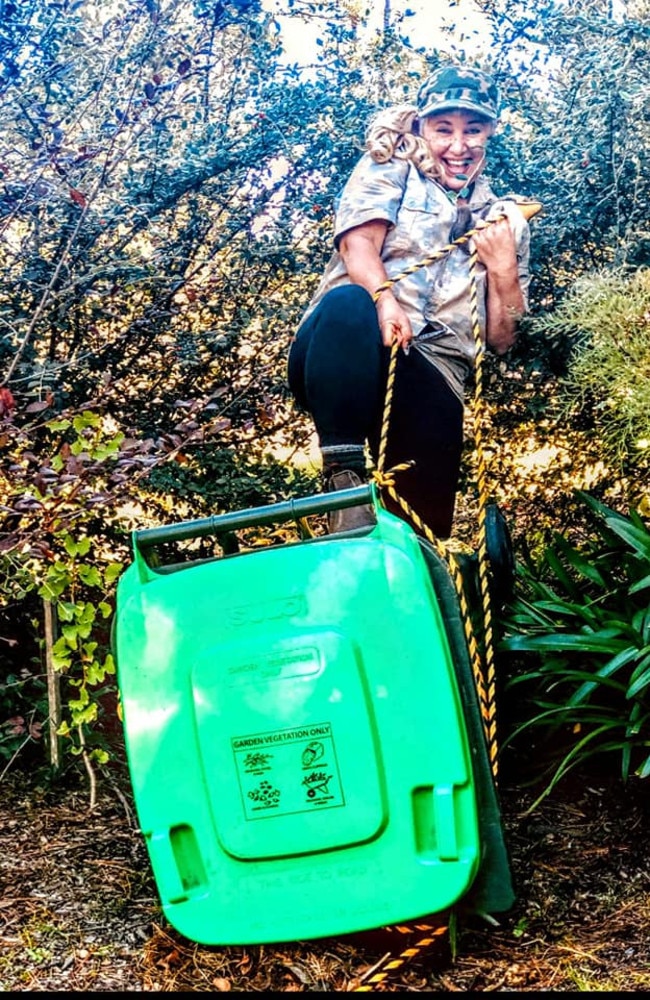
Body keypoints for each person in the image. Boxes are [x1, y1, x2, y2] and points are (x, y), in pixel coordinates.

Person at [287, 64, 532, 537]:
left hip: (434, 371)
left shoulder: (504, 218)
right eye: (444, 130)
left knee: (420, 533)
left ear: (490, 132)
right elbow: (357, 246)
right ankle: (344, 480)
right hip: (352, 347)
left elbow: (503, 339)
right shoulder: (391, 165)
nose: (458, 146)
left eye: (472, 130)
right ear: (423, 126)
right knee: (349, 304)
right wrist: (386, 301)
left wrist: (502, 267)